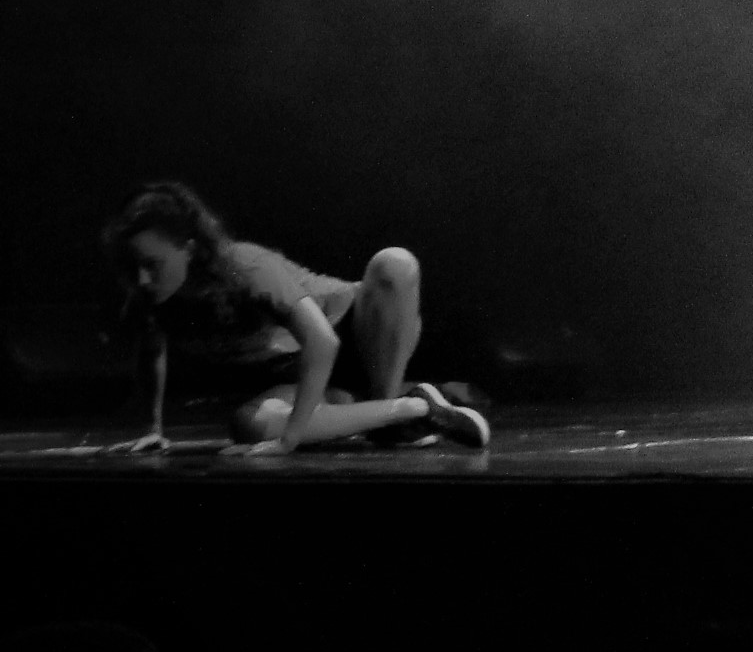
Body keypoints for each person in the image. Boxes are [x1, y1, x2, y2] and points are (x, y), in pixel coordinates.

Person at [101, 183, 488, 454]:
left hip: (359, 336)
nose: (142, 279)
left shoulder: (243, 266)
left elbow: (323, 342)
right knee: (249, 425)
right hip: (308, 373)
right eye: (133, 267)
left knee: (395, 264)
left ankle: (385, 407)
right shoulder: (151, 298)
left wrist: (288, 442)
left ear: (187, 248)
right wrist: (152, 429)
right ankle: (411, 411)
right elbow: (152, 354)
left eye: (152, 264)